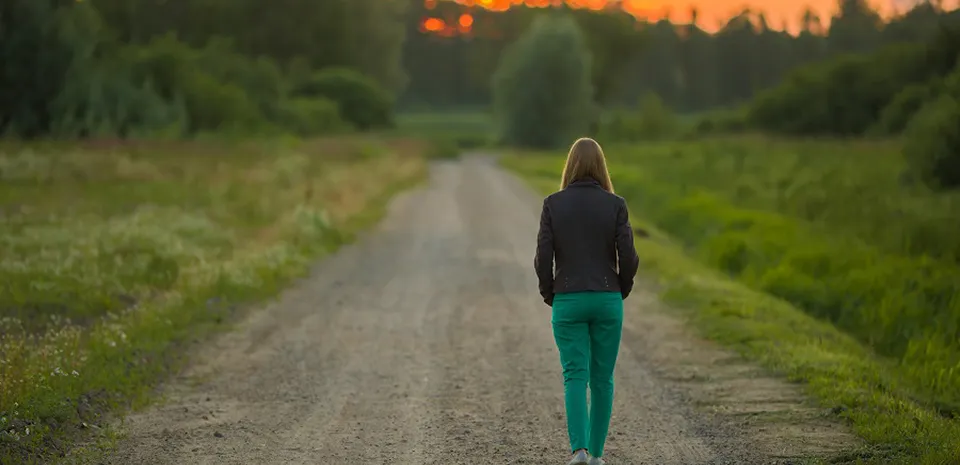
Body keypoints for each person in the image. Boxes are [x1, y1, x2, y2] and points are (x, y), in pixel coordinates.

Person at [534, 137, 640, 465]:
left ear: (570, 166)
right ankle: (597, 456)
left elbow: (543, 257)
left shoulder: (553, 203)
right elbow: (630, 257)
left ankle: (578, 450)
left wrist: (549, 291)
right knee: (603, 378)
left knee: (574, 375)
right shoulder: (616, 204)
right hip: (607, 298)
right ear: (601, 166)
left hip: (568, 298)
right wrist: (620, 289)